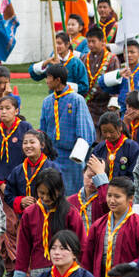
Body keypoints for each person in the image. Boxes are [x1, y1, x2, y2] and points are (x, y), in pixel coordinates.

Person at [39, 64, 94, 196]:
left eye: (49, 77)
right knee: (53, 192)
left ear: (58, 80)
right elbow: (43, 129)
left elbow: (85, 130)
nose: (46, 81)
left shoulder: (76, 100)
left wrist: (79, 155)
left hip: (72, 157)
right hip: (53, 156)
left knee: (72, 194)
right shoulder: (47, 102)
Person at [82, 177, 139, 277]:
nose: (112, 200)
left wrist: (129, 267)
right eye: (109, 195)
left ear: (130, 198)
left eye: (117, 196)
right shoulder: (98, 225)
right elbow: (87, 259)